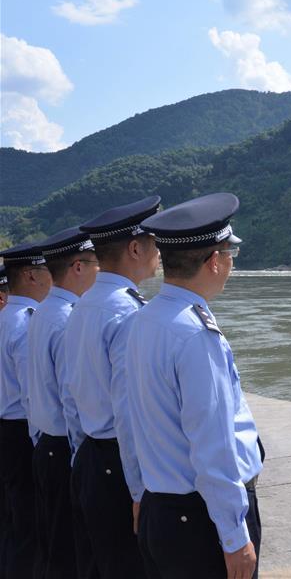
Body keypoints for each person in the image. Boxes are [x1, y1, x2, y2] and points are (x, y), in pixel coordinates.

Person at [128, 193, 263, 579]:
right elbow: (213, 447)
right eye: (229, 255)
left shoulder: (144, 320)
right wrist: (235, 536)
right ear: (215, 261)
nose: (231, 265)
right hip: (199, 521)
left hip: (162, 510)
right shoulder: (195, 335)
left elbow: (131, 419)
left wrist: (138, 492)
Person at [64, 196, 160, 579]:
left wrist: (78, 457)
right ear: (135, 248)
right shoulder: (127, 313)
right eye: (155, 243)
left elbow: (69, 394)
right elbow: (128, 411)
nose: (160, 252)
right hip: (117, 465)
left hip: (89, 456)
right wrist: (138, 491)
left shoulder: (83, 305)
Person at [27, 227, 100, 579]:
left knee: (52, 545)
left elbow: (31, 389)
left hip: (44, 443)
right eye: (95, 262)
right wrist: (79, 456)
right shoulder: (67, 319)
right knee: (69, 554)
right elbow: (71, 398)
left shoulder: (41, 313)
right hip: (63, 449)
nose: (100, 269)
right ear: (78, 267)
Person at [0, 241, 52, 578]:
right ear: (31, 275)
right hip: (21, 431)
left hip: (7, 426)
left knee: (11, 520)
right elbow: (32, 393)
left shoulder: (7, 317)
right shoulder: (26, 324)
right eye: (47, 269)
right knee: (30, 526)